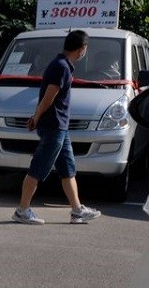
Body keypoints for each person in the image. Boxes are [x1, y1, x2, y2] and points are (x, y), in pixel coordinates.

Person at [13, 29, 101, 225]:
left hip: (60, 126)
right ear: (81, 49)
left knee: (68, 169)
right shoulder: (61, 66)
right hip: (54, 126)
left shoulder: (62, 64)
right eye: (85, 48)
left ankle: (77, 210)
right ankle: (22, 210)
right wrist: (37, 117)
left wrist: (37, 116)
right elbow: (49, 95)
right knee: (38, 168)